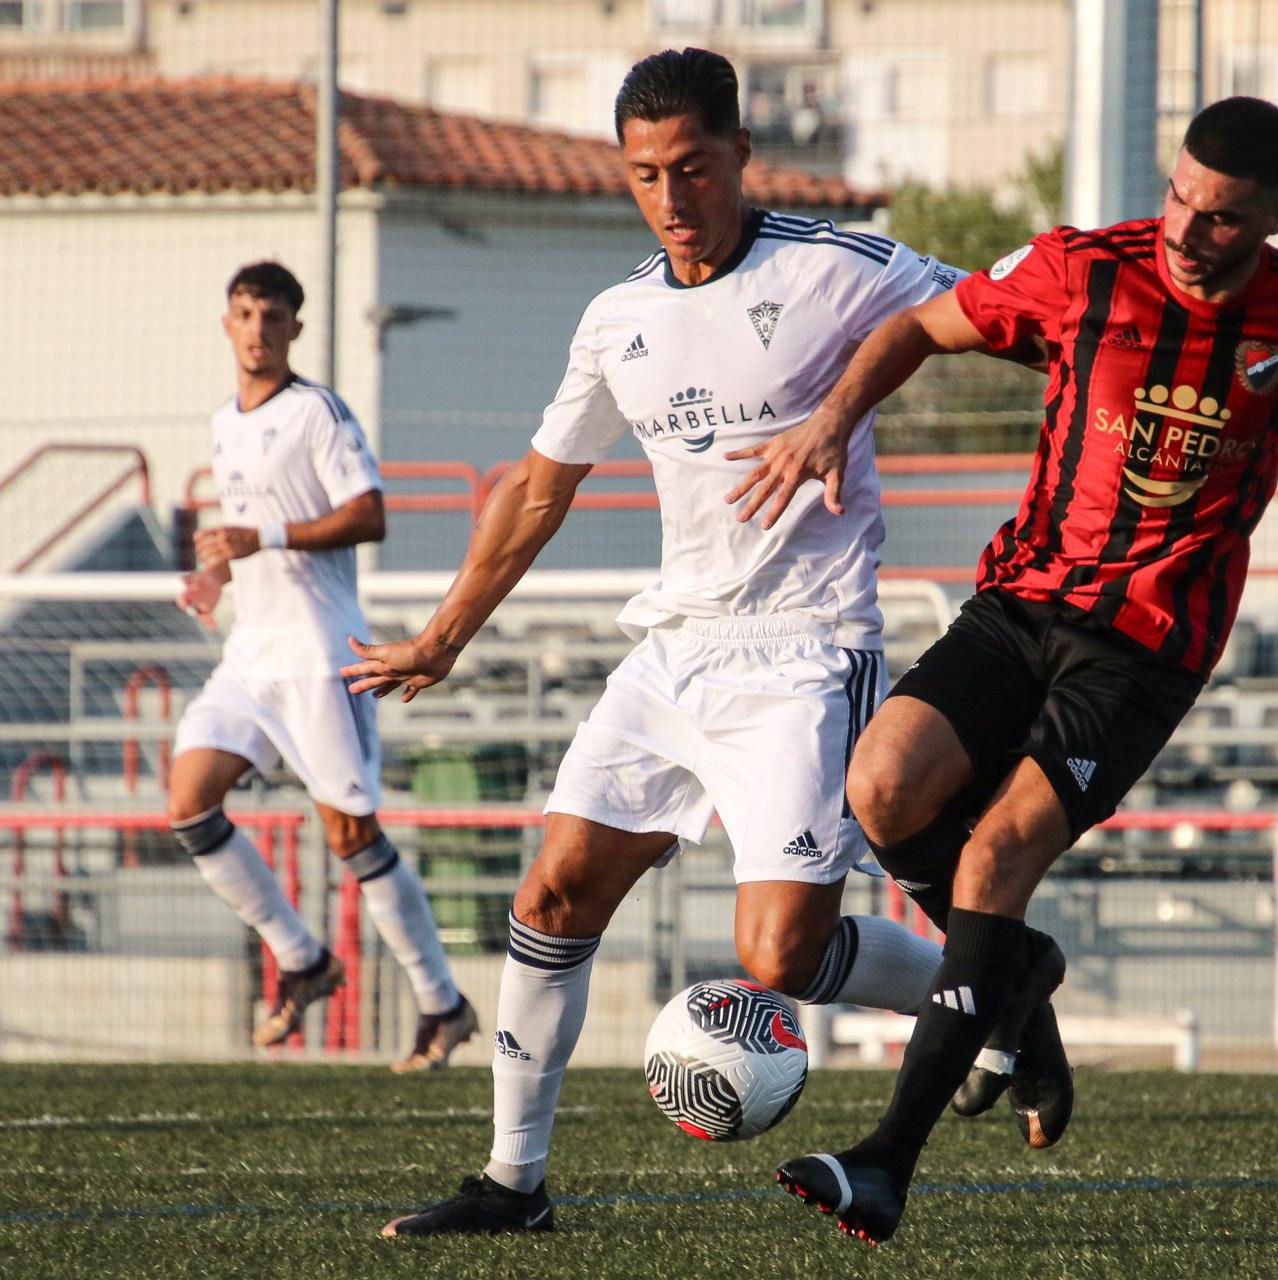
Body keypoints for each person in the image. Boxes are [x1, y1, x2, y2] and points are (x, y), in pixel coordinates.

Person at [343, 48, 1015, 1238]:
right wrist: (445, 633)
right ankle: (514, 1181)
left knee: (778, 955)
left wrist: (1180, 376)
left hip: (807, 652)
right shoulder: (619, 320)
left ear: (739, 153)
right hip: (673, 652)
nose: (668, 194)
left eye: (690, 166)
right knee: (552, 889)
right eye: (645, 173)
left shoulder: (837, 266)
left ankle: (1000, 983)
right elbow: (537, 491)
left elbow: (1010, 312)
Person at [730, 96, 1278, 1244]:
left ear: (1276, 214)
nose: (1185, 229)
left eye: (1220, 218)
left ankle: (884, 1160)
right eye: (1177, 197)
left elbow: (1271, 386)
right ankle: (1018, 979)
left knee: (996, 851)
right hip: (1020, 600)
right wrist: (830, 421)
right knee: (881, 790)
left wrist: (1276, 415)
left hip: (1145, 645)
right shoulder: (1081, 271)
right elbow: (920, 325)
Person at [169, 261, 476, 1073]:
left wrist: (259, 540)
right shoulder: (224, 422)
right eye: (244, 313)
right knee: (189, 802)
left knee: (351, 835)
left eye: (273, 315)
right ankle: (303, 960)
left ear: (296, 328)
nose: (258, 328)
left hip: (317, 656)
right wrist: (215, 575)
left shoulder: (317, 413)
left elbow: (369, 514)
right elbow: (245, 533)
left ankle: (443, 1002)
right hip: (251, 656)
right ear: (226, 324)